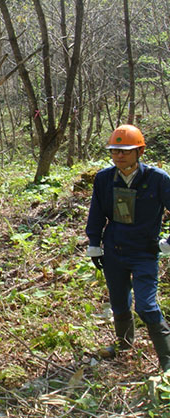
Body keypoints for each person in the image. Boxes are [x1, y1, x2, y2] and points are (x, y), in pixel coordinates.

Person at [86, 124, 170, 372]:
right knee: (119, 302)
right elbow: (97, 213)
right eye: (115, 151)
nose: (119, 155)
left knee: (146, 305)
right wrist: (93, 243)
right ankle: (124, 346)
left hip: (144, 251)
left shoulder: (157, 179)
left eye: (126, 151)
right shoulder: (104, 179)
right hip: (114, 250)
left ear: (140, 151)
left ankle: (167, 360)